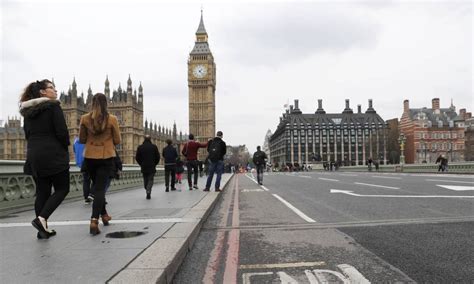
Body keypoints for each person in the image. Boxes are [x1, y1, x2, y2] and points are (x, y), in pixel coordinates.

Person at [20, 79, 70, 239]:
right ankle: (41, 219)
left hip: (34, 154)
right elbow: (62, 132)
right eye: (51, 88)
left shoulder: (27, 111)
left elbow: (27, 134)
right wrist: (64, 148)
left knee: (42, 192)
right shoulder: (53, 106)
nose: (55, 91)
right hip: (53, 154)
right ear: (42, 92)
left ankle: (43, 230)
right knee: (62, 188)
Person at [79, 93, 121, 235]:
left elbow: (82, 139)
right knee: (99, 190)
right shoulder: (112, 119)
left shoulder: (84, 119)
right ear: (106, 104)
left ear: (92, 103)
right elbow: (117, 140)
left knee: (97, 188)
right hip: (106, 158)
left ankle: (104, 215)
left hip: (90, 158)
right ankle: (94, 220)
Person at [73, 137, 94, 204]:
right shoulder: (88, 139)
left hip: (81, 163)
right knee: (96, 180)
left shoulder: (75, 141)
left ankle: (86, 197)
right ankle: (91, 195)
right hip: (90, 161)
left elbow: (74, 151)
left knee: (86, 180)